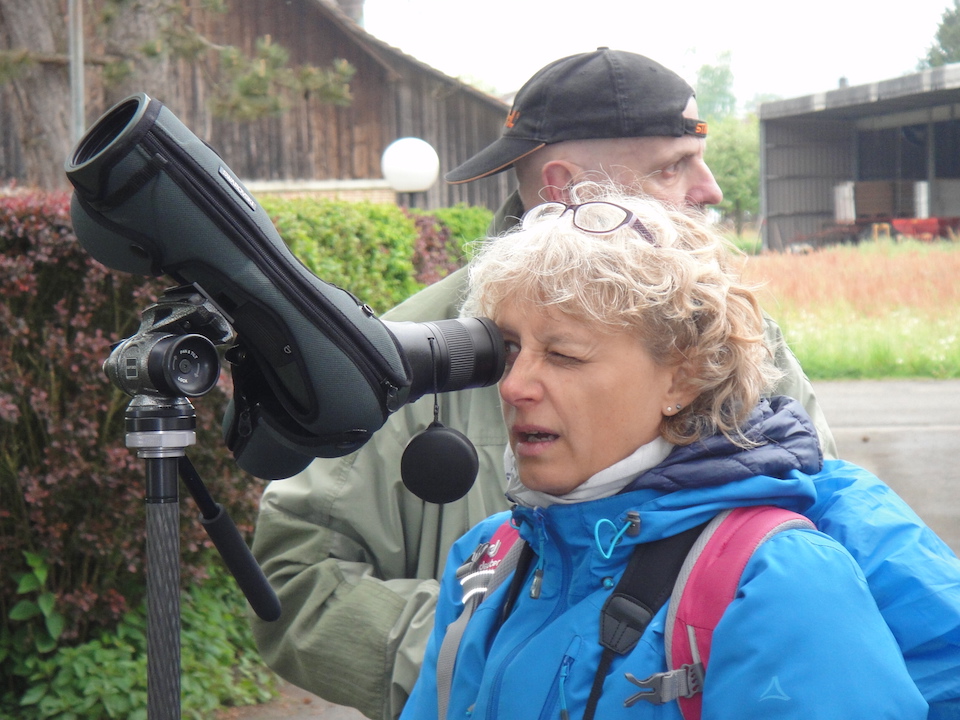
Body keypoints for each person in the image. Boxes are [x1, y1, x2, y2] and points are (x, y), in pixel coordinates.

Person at [250, 49, 960, 720]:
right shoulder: (414, 379)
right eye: (673, 166)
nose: (514, 385)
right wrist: (480, 650)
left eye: (565, 354)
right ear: (566, 188)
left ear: (688, 367)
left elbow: (839, 593)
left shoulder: (782, 565)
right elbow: (296, 575)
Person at [400, 187, 927, 720]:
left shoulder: (780, 582)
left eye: (563, 355)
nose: (514, 386)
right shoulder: (489, 556)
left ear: (683, 377)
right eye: (509, 349)